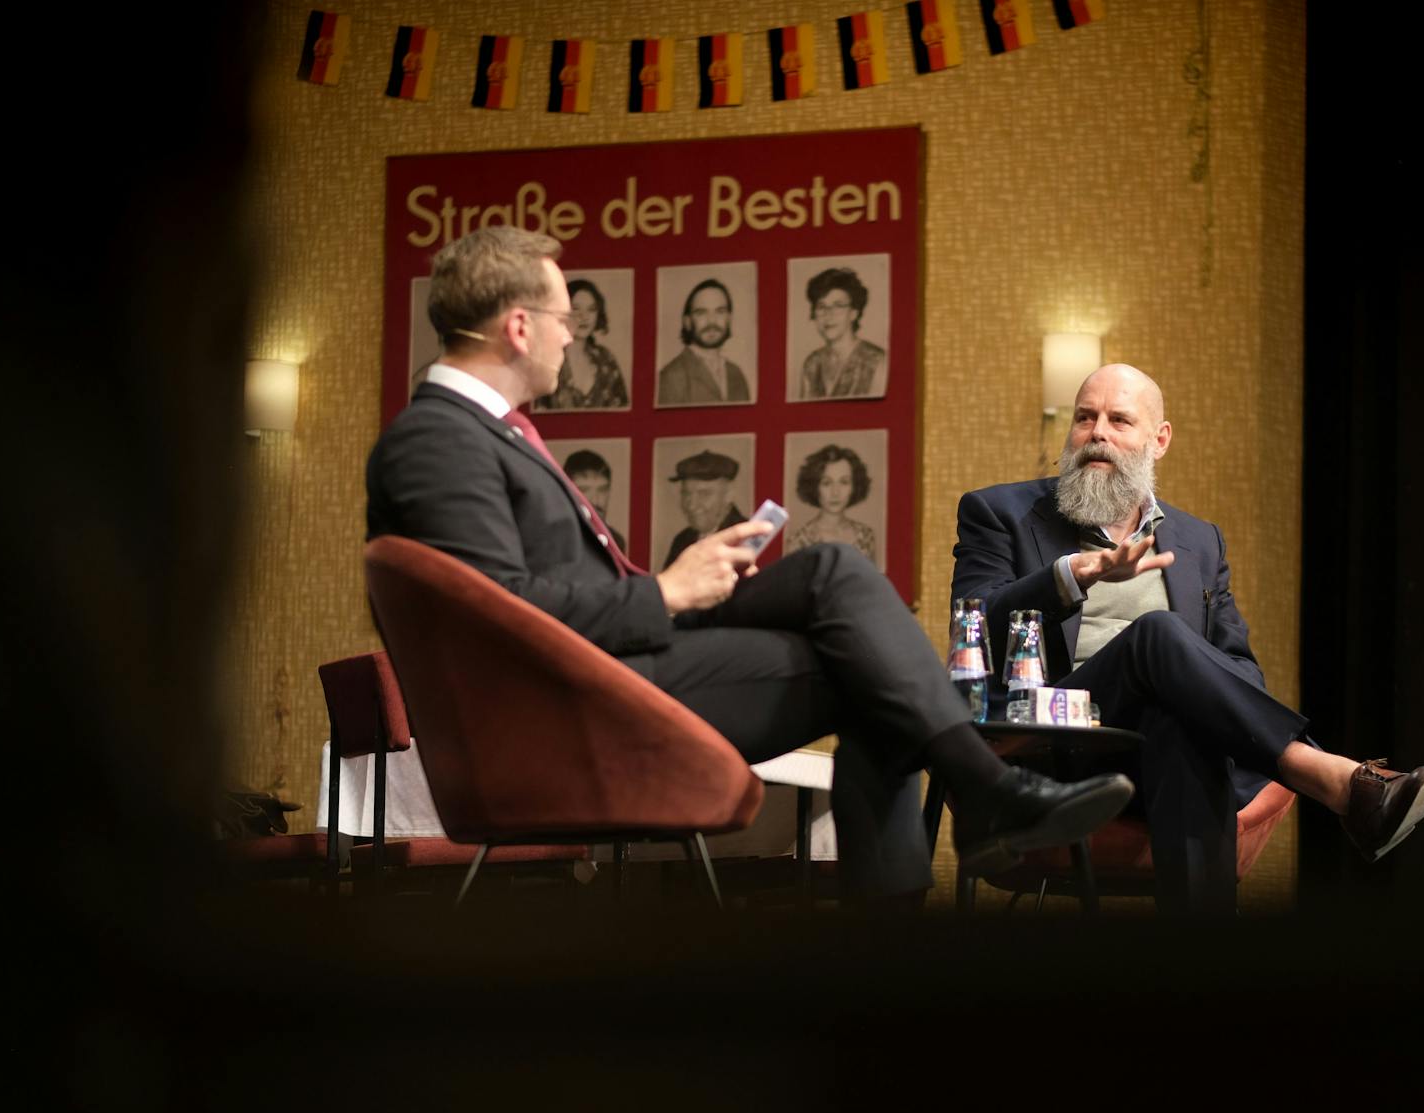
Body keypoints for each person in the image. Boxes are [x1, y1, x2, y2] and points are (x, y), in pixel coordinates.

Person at [366, 226, 1136, 905]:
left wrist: (682, 580)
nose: (573, 336)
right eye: (566, 319)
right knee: (867, 675)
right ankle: (975, 814)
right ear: (520, 326)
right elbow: (503, 610)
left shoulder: (480, 432)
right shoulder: (436, 439)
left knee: (833, 574)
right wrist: (664, 591)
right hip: (569, 705)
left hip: (608, 664)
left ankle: (974, 811)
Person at [951, 362, 1424, 914]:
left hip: (1153, 754)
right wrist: (1072, 575)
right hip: (1052, 744)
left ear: (1158, 440)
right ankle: (1323, 772)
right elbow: (975, 619)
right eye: (1085, 417)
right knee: (1156, 633)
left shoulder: (1198, 542)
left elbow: (1239, 668)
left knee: (1180, 726)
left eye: (1120, 420)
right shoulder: (1000, 512)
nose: (1098, 433)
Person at [538, 277, 629, 410]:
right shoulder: (548, 358)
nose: (584, 316)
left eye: (591, 309)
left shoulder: (606, 359)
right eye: (576, 308)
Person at [657, 278, 750, 405]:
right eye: (701, 313)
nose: (712, 321)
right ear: (687, 322)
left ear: (729, 318)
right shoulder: (671, 377)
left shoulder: (736, 374)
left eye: (720, 312)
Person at [798, 267, 887, 399]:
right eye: (822, 307)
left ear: (853, 313)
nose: (828, 315)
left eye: (838, 306)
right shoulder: (811, 364)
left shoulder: (877, 361)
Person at [786, 444, 877, 561]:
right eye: (826, 483)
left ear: (855, 485)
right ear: (814, 487)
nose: (835, 492)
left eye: (844, 482)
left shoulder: (866, 536)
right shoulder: (798, 541)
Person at [664, 451, 747, 566]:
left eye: (704, 494)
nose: (691, 505)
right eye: (686, 494)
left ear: (729, 495)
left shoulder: (746, 539)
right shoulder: (682, 540)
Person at [561, 448, 626, 553]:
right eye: (584, 490)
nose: (596, 501)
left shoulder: (616, 541)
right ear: (566, 493)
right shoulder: (553, 540)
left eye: (602, 489)